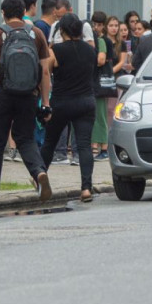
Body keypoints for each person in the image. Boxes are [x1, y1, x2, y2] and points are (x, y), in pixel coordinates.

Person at [0, 0, 52, 202]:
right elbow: (45, 72)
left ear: (3, 13)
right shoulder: (36, 34)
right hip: (29, 94)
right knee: (25, 137)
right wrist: (45, 102)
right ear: (24, 11)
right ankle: (39, 173)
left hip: (2, 93)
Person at [41, 14, 98, 202]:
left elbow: (46, 72)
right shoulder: (91, 51)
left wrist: (45, 103)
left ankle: (39, 177)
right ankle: (86, 188)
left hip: (62, 102)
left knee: (50, 142)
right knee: (84, 145)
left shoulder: (55, 50)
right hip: (86, 102)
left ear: (61, 31)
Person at [90, 11, 115, 159]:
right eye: (95, 24)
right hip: (100, 82)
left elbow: (100, 60)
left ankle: (103, 147)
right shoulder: (102, 40)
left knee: (100, 115)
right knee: (99, 114)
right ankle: (97, 146)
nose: (97, 27)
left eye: (99, 25)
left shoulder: (103, 41)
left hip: (99, 82)